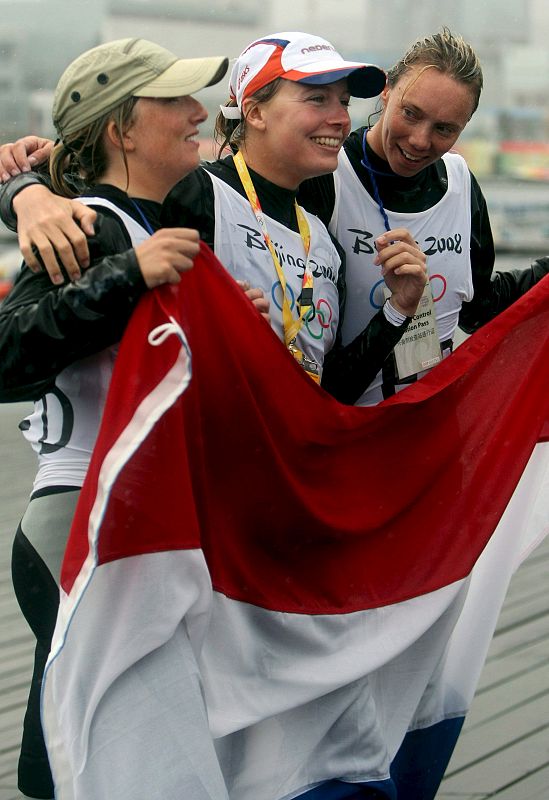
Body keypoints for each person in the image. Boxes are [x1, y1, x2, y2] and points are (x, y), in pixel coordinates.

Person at [0, 36, 230, 800]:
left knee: (76, 756)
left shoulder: (158, 214)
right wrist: (126, 278)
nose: (199, 112)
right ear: (122, 130)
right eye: (176, 100)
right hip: (80, 527)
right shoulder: (93, 225)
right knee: (106, 762)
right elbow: (5, 358)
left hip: (132, 528)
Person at [0, 31, 428, 400]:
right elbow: (103, 193)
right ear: (255, 112)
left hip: (251, 481)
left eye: (345, 101)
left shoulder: (321, 236)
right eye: (317, 98)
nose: (340, 118)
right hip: (130, 477)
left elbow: (323, 396)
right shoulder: (196, 194)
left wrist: (397, 310)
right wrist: (25, 190)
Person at [297, 27, 549, 403]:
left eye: (444, 128)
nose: (420, 140)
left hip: (434, 433)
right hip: (349, 433)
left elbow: (479, 309)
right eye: (410, 113)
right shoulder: (326, 177)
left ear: (463, 127)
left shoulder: (461, 182)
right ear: (387, 91)